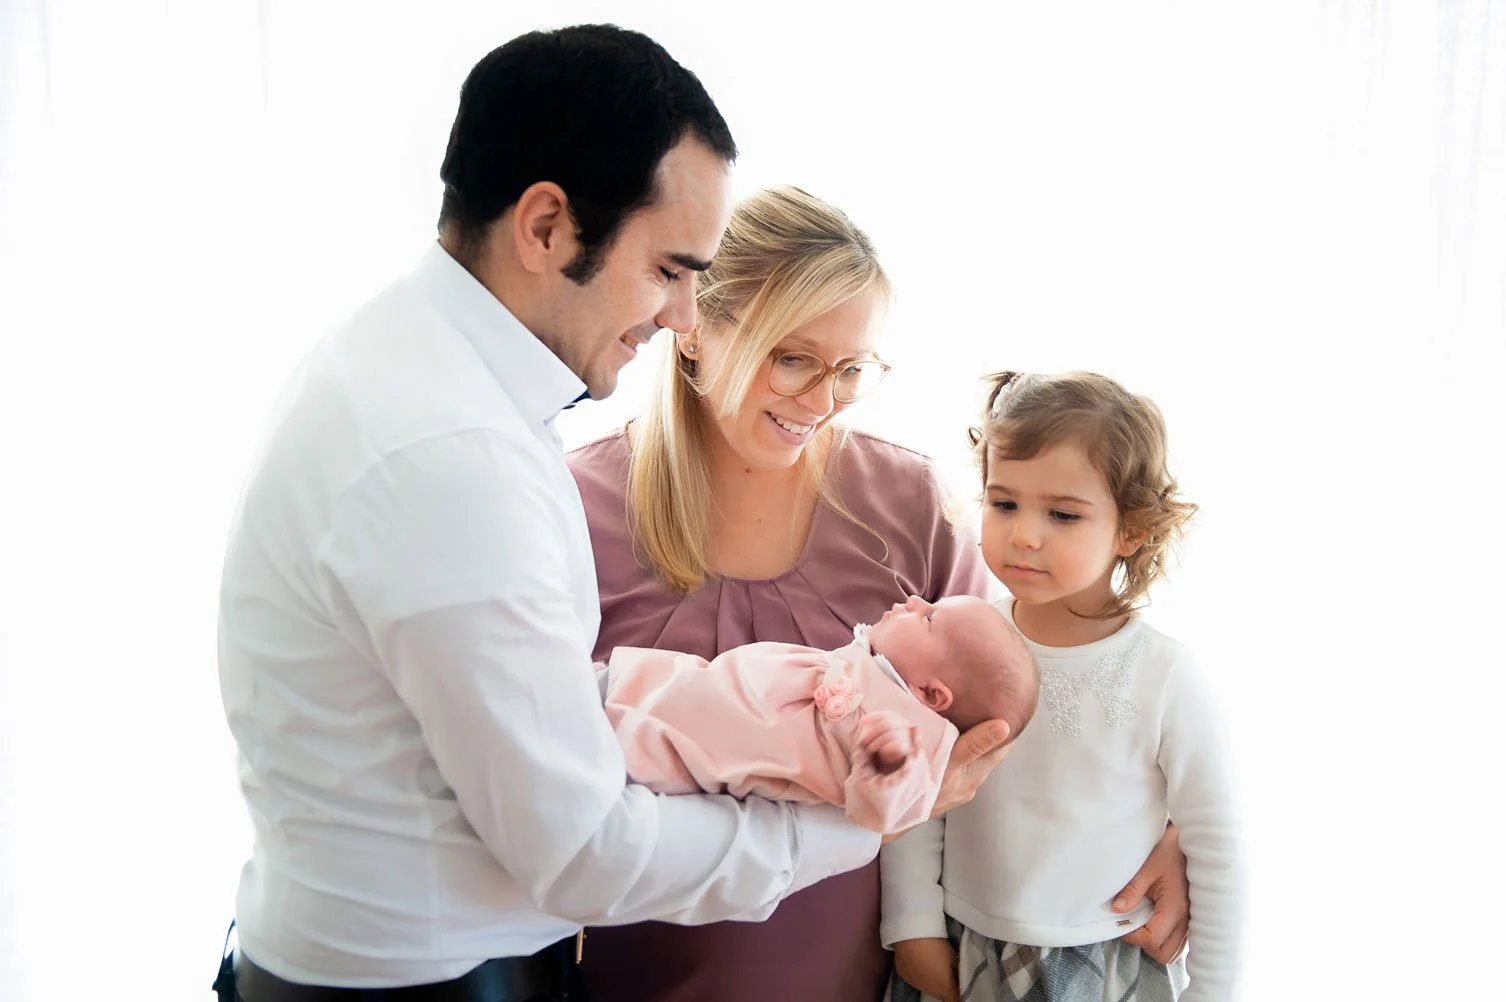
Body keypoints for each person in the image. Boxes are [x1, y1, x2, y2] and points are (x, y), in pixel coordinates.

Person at [214, 26, 1006, 1002]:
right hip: (426, 981)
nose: (681, 312)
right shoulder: (455, 457)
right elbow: (583, 849)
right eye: (670, 269)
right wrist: (849, 824)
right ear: (547, 227)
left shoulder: (414, 381)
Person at [566, 187, 1195, 1002]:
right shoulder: (573, 509)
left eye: (852, 368)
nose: (823, 401)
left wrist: (1170, 832)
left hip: (874, 980)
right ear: (692, 332)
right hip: (634, 976)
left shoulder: (905, 501)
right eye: (792, 358)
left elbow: (1030, 705)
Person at [881, 372, 1246, 1002]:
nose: (1025, 533)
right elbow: (920, 788)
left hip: (1105, 963)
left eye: (1062, 513)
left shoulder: (1165, 675)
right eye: (1004, 504)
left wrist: (1212, 993)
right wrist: (912, 927)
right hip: (962, 943)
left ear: (1131, 529)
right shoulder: (961, 640)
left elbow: (1218, 847)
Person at [596, 595, 1041, 834]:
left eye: (929, 619)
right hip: (650, 692)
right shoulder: (873, 670)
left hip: (642, 747)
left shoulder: (903, 740)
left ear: (931, 693)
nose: (914, 601)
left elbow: (882, 815)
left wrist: (886, 766)